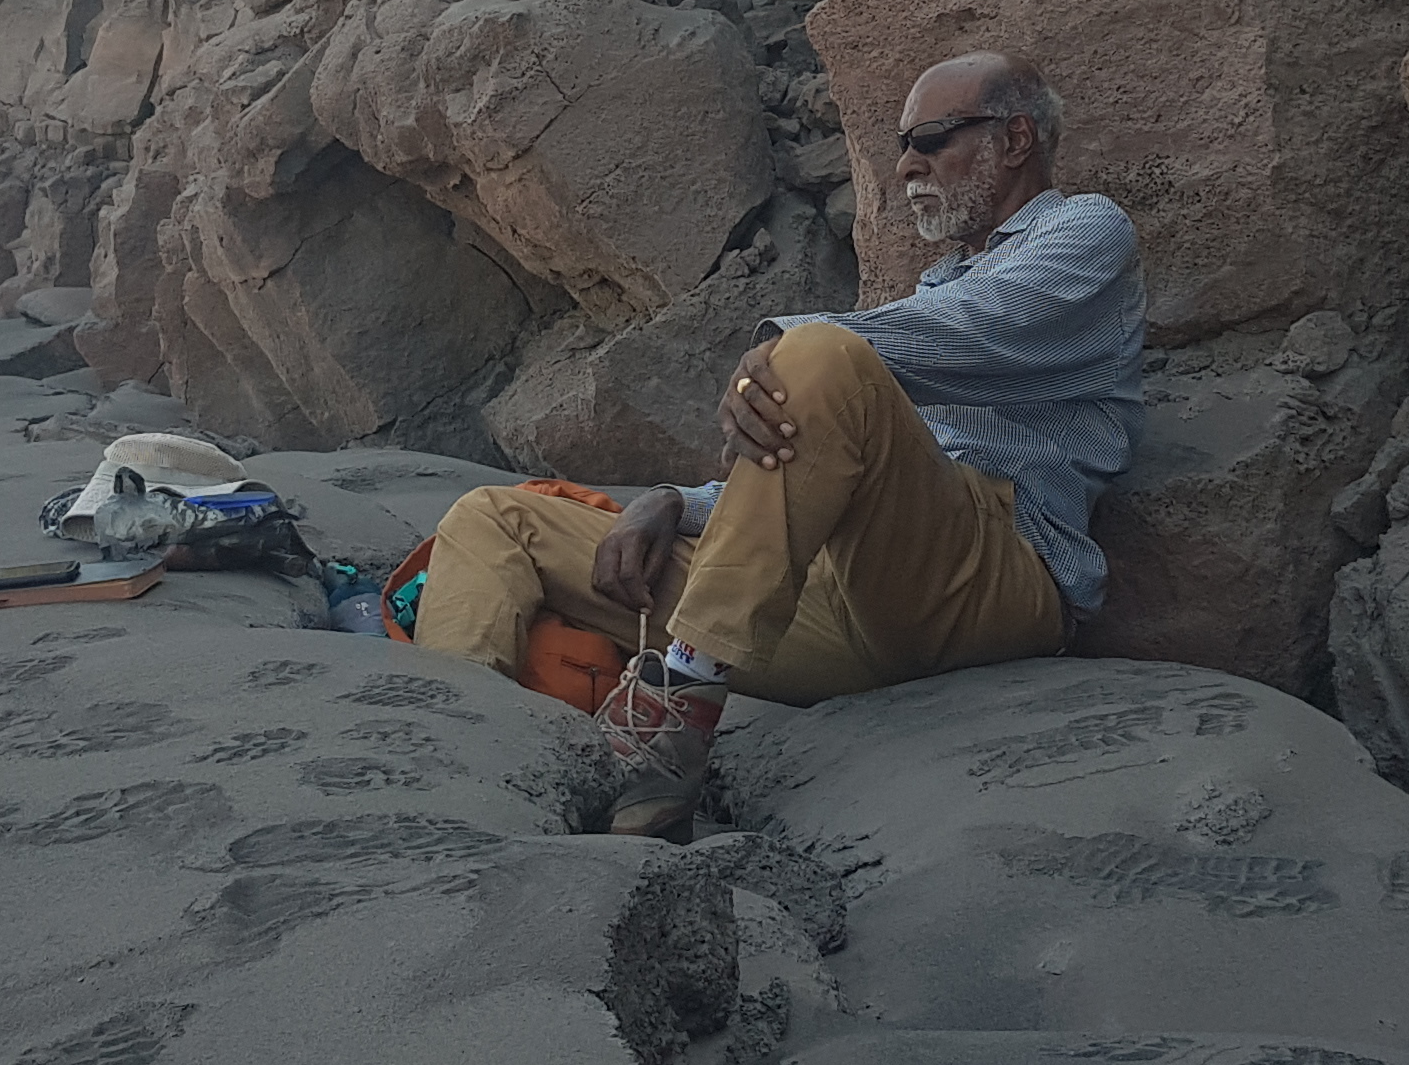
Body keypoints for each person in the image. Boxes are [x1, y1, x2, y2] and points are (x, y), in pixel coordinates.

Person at [411, 51, 1146, 837]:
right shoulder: (937, 285)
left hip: (987, 580)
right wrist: (678, 501)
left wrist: (793, 347)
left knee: (821, 356)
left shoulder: (1086, 231)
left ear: (1016, 139)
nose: (906, 166)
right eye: (902, 145)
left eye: (930, 139)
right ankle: (450, 773)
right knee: (496, 518)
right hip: (837, 599)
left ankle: (675, 707)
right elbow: (811, 469)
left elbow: (981, 327)